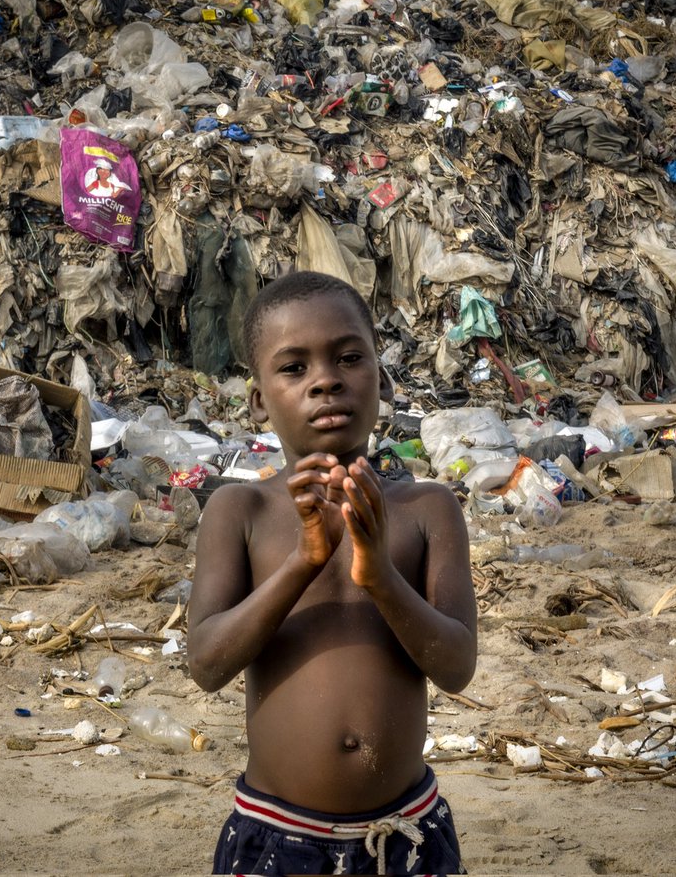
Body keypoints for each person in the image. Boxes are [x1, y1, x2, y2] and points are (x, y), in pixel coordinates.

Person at [188, 271, 477, 876]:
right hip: (275, 835)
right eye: (294, 368)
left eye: (349, 357)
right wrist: (303, 562)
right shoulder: (240, 511)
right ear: (259, 400)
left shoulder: (426, 510)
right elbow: (208, 665)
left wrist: (379, 578)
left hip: (403, 836)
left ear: (381, 376)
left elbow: (455, 667)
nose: (326, 380)